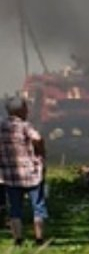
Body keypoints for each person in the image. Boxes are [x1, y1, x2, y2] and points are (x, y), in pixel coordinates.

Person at [1, 96, 47, 246]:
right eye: (26, 108)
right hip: (32, 173)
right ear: (21, 110)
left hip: (10, 174)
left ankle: (18, 239)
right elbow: (38, 139)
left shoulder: (1, 126)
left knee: (15, 207)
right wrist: (40, 153)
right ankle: (39, 238)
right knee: (38, 206)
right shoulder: (25, 126)